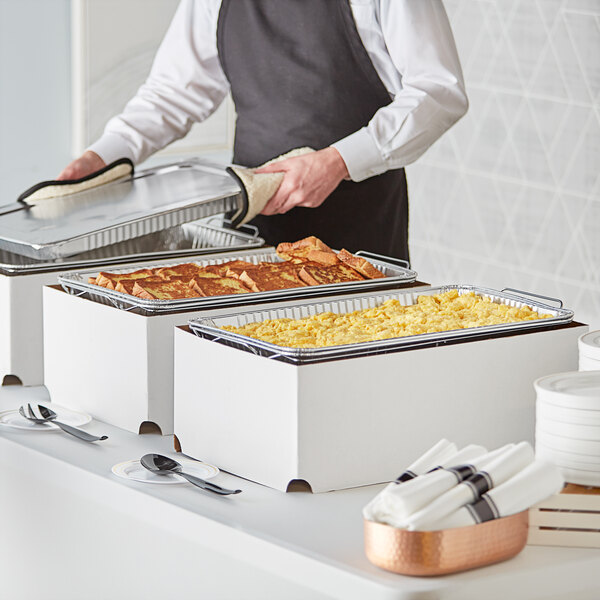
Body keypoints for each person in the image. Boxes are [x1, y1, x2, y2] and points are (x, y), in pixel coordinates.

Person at [59, 0, 468, 260]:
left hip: (360, 230)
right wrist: (104, 155)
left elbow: (438, 90)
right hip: (253, 227)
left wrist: (338, 161)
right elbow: (173, 92)